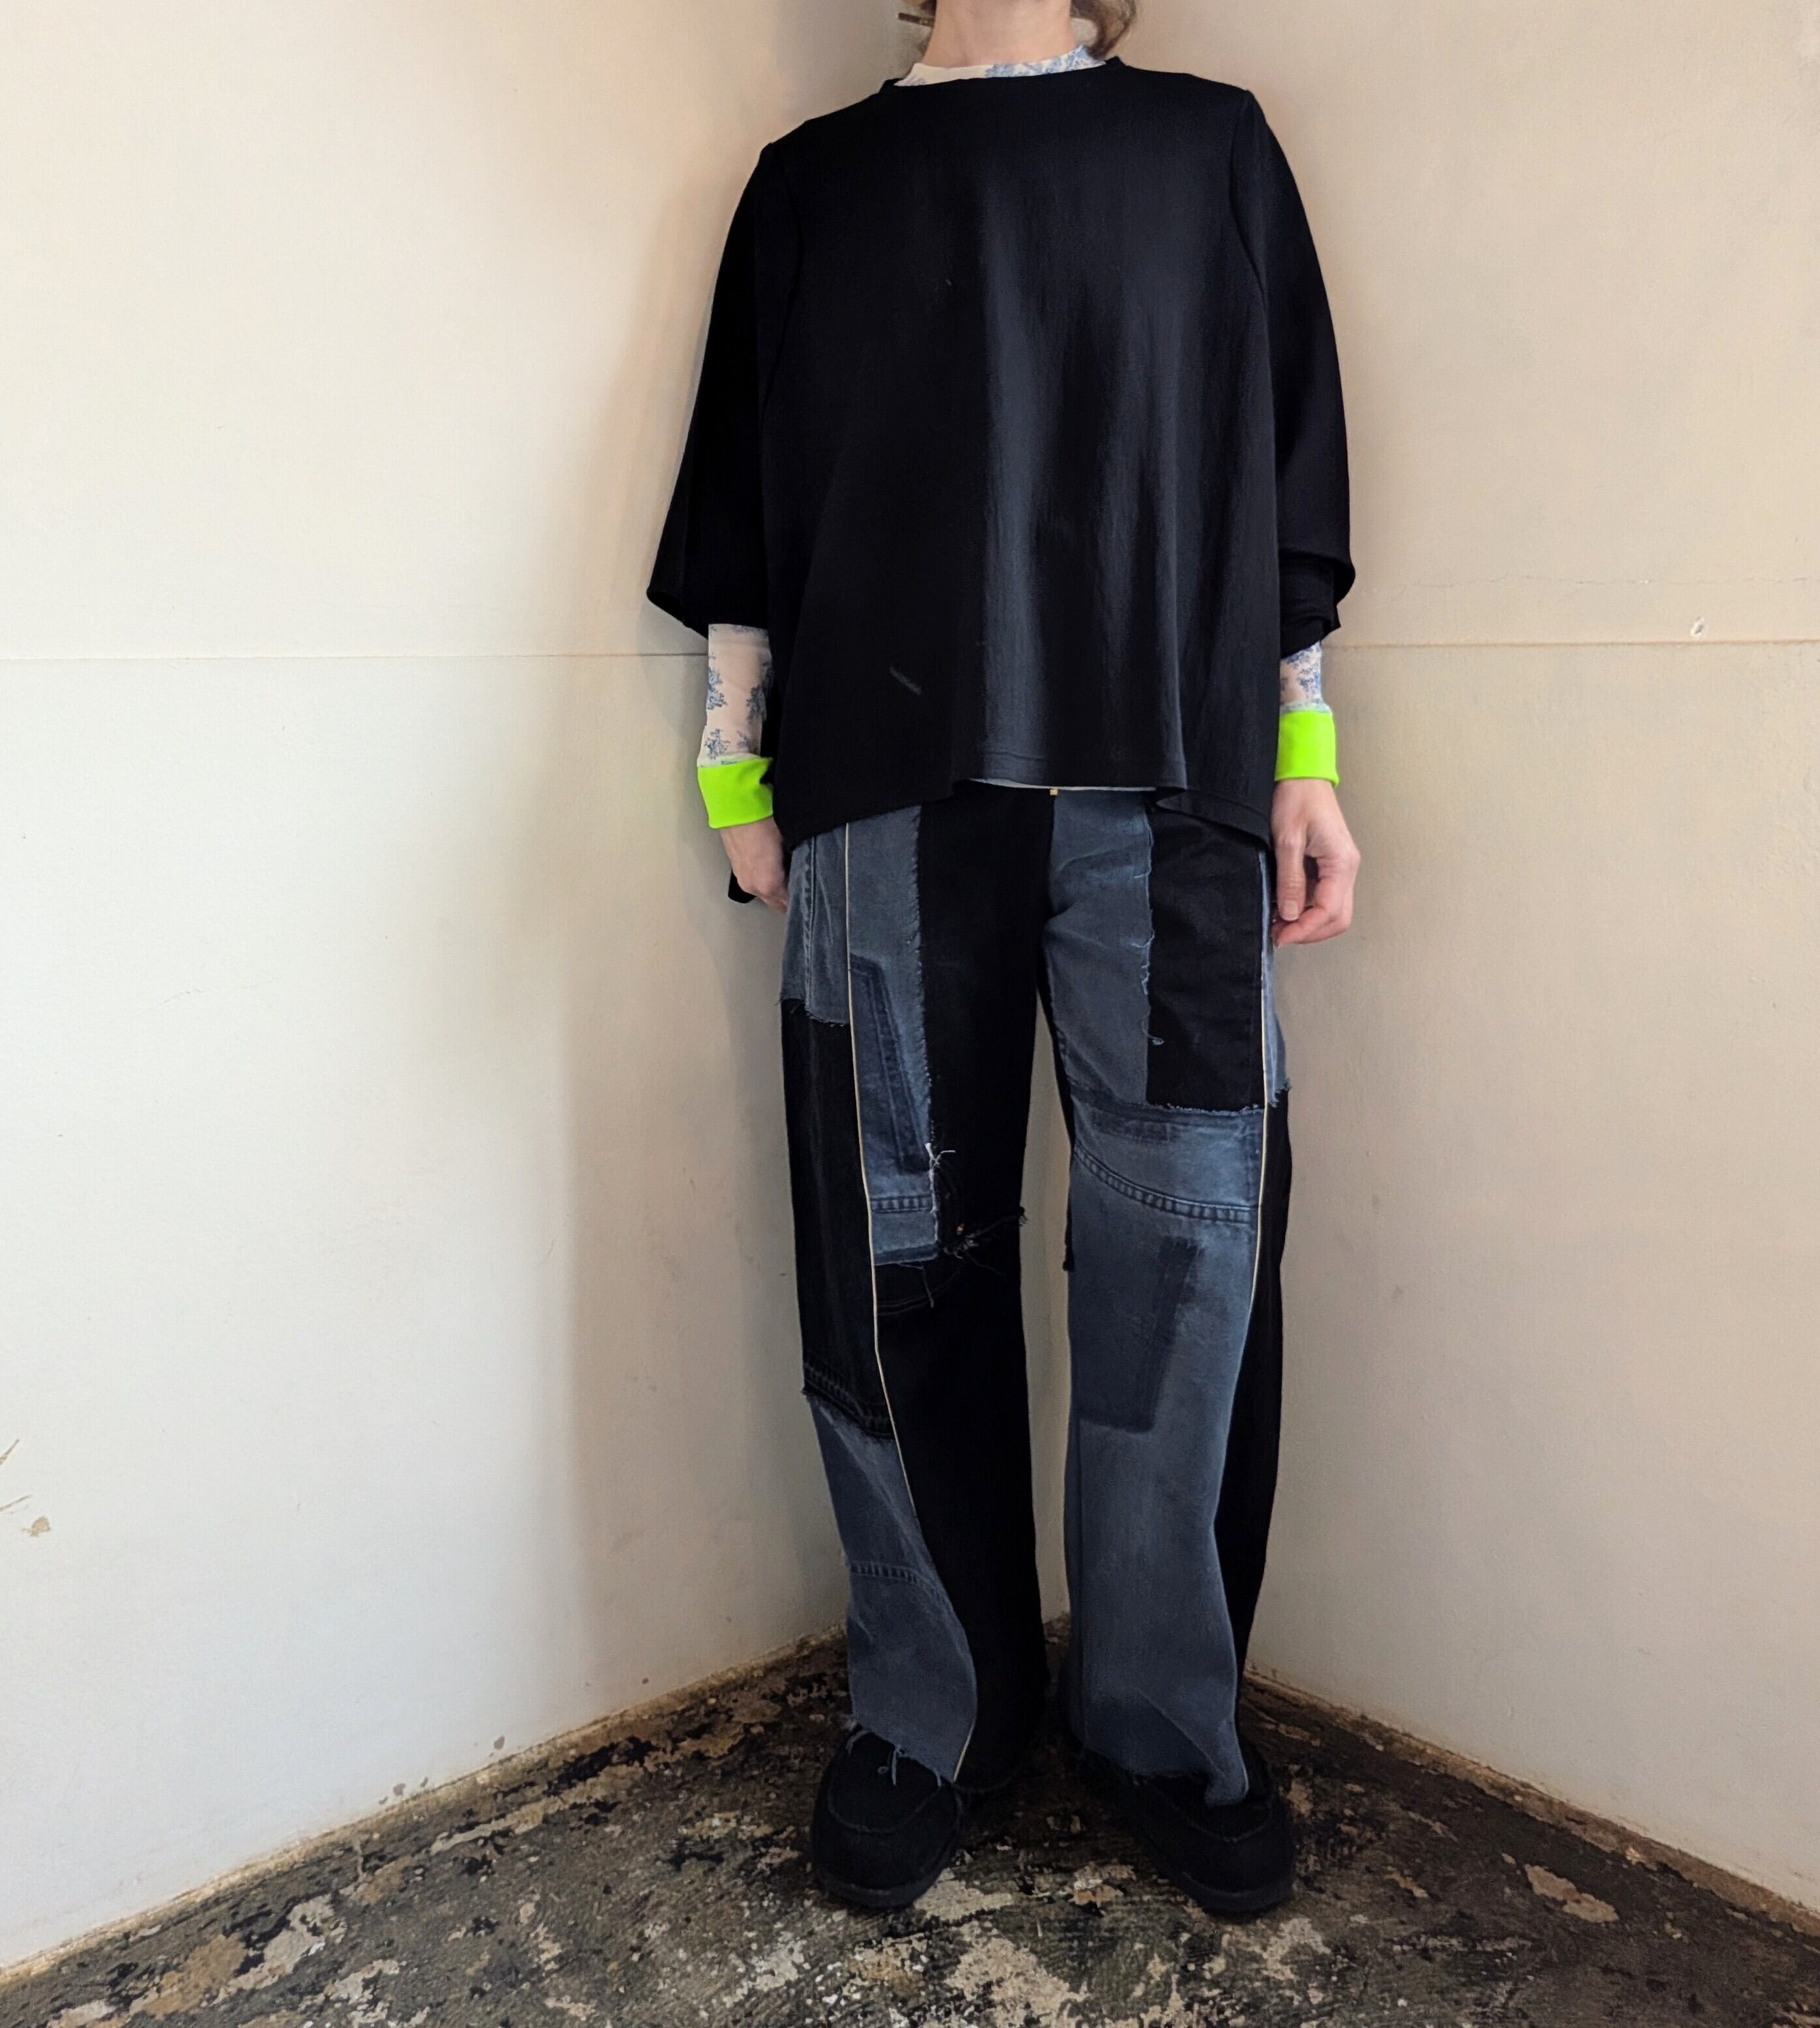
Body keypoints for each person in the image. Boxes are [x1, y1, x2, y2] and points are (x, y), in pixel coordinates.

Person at [648, 0, 1359, 1917]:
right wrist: (732, 764)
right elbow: (745, 505)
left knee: (1188, 1267)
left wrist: (1305, 757)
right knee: (897, 1266)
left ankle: (1164, 1723)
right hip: (885, 796)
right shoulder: (815, 185)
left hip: (1178, 794)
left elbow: (1283, 487)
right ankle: (933, 1712)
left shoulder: (1210, 150)